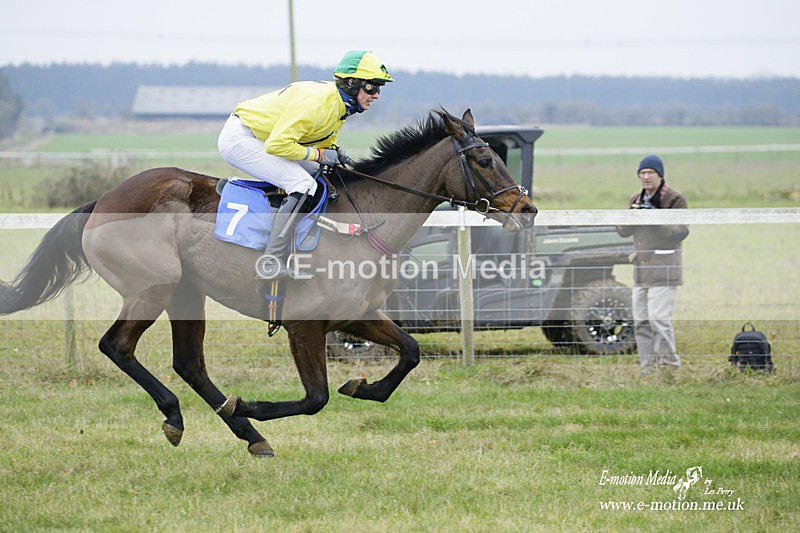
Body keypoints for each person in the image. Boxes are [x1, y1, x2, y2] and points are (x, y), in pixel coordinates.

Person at [217, 50, 393, 278]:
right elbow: (277, 146)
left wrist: (335, 154)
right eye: (371, 87)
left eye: (379, 88)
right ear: (351, 83)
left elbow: (324, 141)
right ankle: (272, 260)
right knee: (302, 184)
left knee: (329, 173)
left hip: (265, 138)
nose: (376, 94)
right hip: (242, 138)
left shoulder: (340, 105)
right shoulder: (318, 102)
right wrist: (319, 155)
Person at [617, 155, 689, 374]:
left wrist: (655, 217)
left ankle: (670, 367)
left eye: (650, 173)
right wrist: (634, 215)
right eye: (642, 173)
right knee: (640, 321)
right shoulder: (635, 199)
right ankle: (648, 368)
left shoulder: (675, 198)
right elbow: (622, 231)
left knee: (659, 318)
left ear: (660, 175)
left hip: (664, 267)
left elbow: (681, 232)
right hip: (641, 269)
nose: (646, 177)